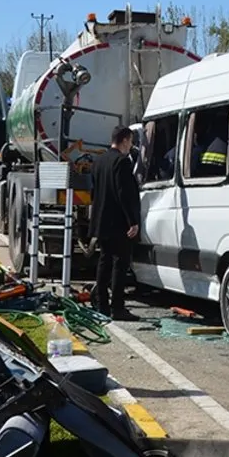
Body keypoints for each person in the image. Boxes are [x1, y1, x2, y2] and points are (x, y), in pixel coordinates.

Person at [88, 126, 141, 319]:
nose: (131, 145)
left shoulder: (99, 161)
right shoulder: (122, 162)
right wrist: (132, 221)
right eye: (131, 141)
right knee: (120, 264)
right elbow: (123, 193)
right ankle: (117, 307)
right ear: (124, 140)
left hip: (101, 221)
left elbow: (94, 192)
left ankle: (102, 304)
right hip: (118, 223)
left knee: (104, 261)